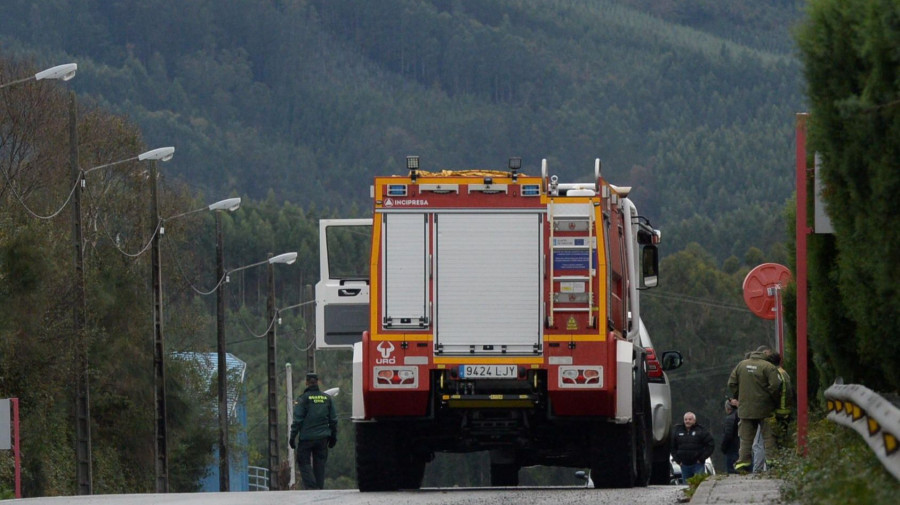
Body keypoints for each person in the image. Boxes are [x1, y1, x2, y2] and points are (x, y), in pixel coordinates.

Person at [727, 345, 782, 474]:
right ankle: (772, 463)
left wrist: (739, 395)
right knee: (768, 437)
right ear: (765, 355)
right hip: (765, 409)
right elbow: (776, 385)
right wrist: (770, 398)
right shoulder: (768, 367)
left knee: (745, 438)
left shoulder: (741, 365)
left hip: (745, 409)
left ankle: (743, 464)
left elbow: (731, 383)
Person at [289, 372, 338, 490]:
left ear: (306, 383)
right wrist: (333, 437)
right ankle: (319, 489)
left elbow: (297, 421)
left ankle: (312, 487)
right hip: (322, 439)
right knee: (320, 464)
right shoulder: (327, 398)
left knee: (303, 462)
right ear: (318, 381)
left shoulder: (303, 399)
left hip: (306, 438)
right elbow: (333, 420)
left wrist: (292, 437)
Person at [671, 411, 715, 484]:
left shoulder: (701, 430)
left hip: (698, 464)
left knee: (699, 485)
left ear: (694, 420)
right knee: (686, 487)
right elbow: (672, 447)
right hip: (684, 465)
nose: (687, 421)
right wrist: (678, 460)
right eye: (686, 419)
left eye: (690, 419)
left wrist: (701, 458)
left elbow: (710, 445)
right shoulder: (677, 430)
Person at [767, 352, 794, 449]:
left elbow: (774, 391)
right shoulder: (784, 372)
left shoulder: (776, 374)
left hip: (779, 411)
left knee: (777, 440)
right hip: (786, 410)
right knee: (783, 437)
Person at [721, 399, 740, 474]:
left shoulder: (730, 418)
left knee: (732, 473)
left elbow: (728, 435)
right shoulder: (740, 417)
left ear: (727, 408)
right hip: (741, 448)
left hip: (732, 450)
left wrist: (723, 447)